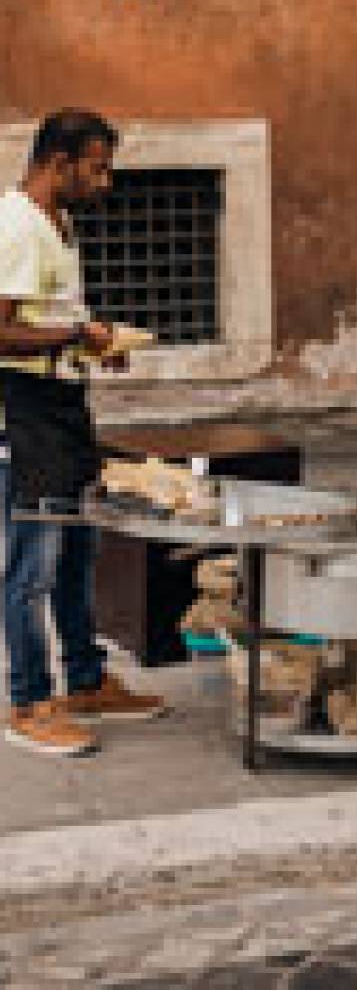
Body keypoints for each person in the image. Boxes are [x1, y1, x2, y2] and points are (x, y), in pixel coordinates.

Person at [0, 110, 166, 758]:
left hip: (63, 407)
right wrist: (74, 335)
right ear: (58, 162)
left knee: (77, 553)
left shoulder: (58, 224)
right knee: (32, 567)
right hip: (23, 415)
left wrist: (91, 346)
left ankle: (86, 680)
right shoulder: (16, 225)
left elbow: (46, 321)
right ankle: (29, 702)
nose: (105, 182)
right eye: (97, 169)